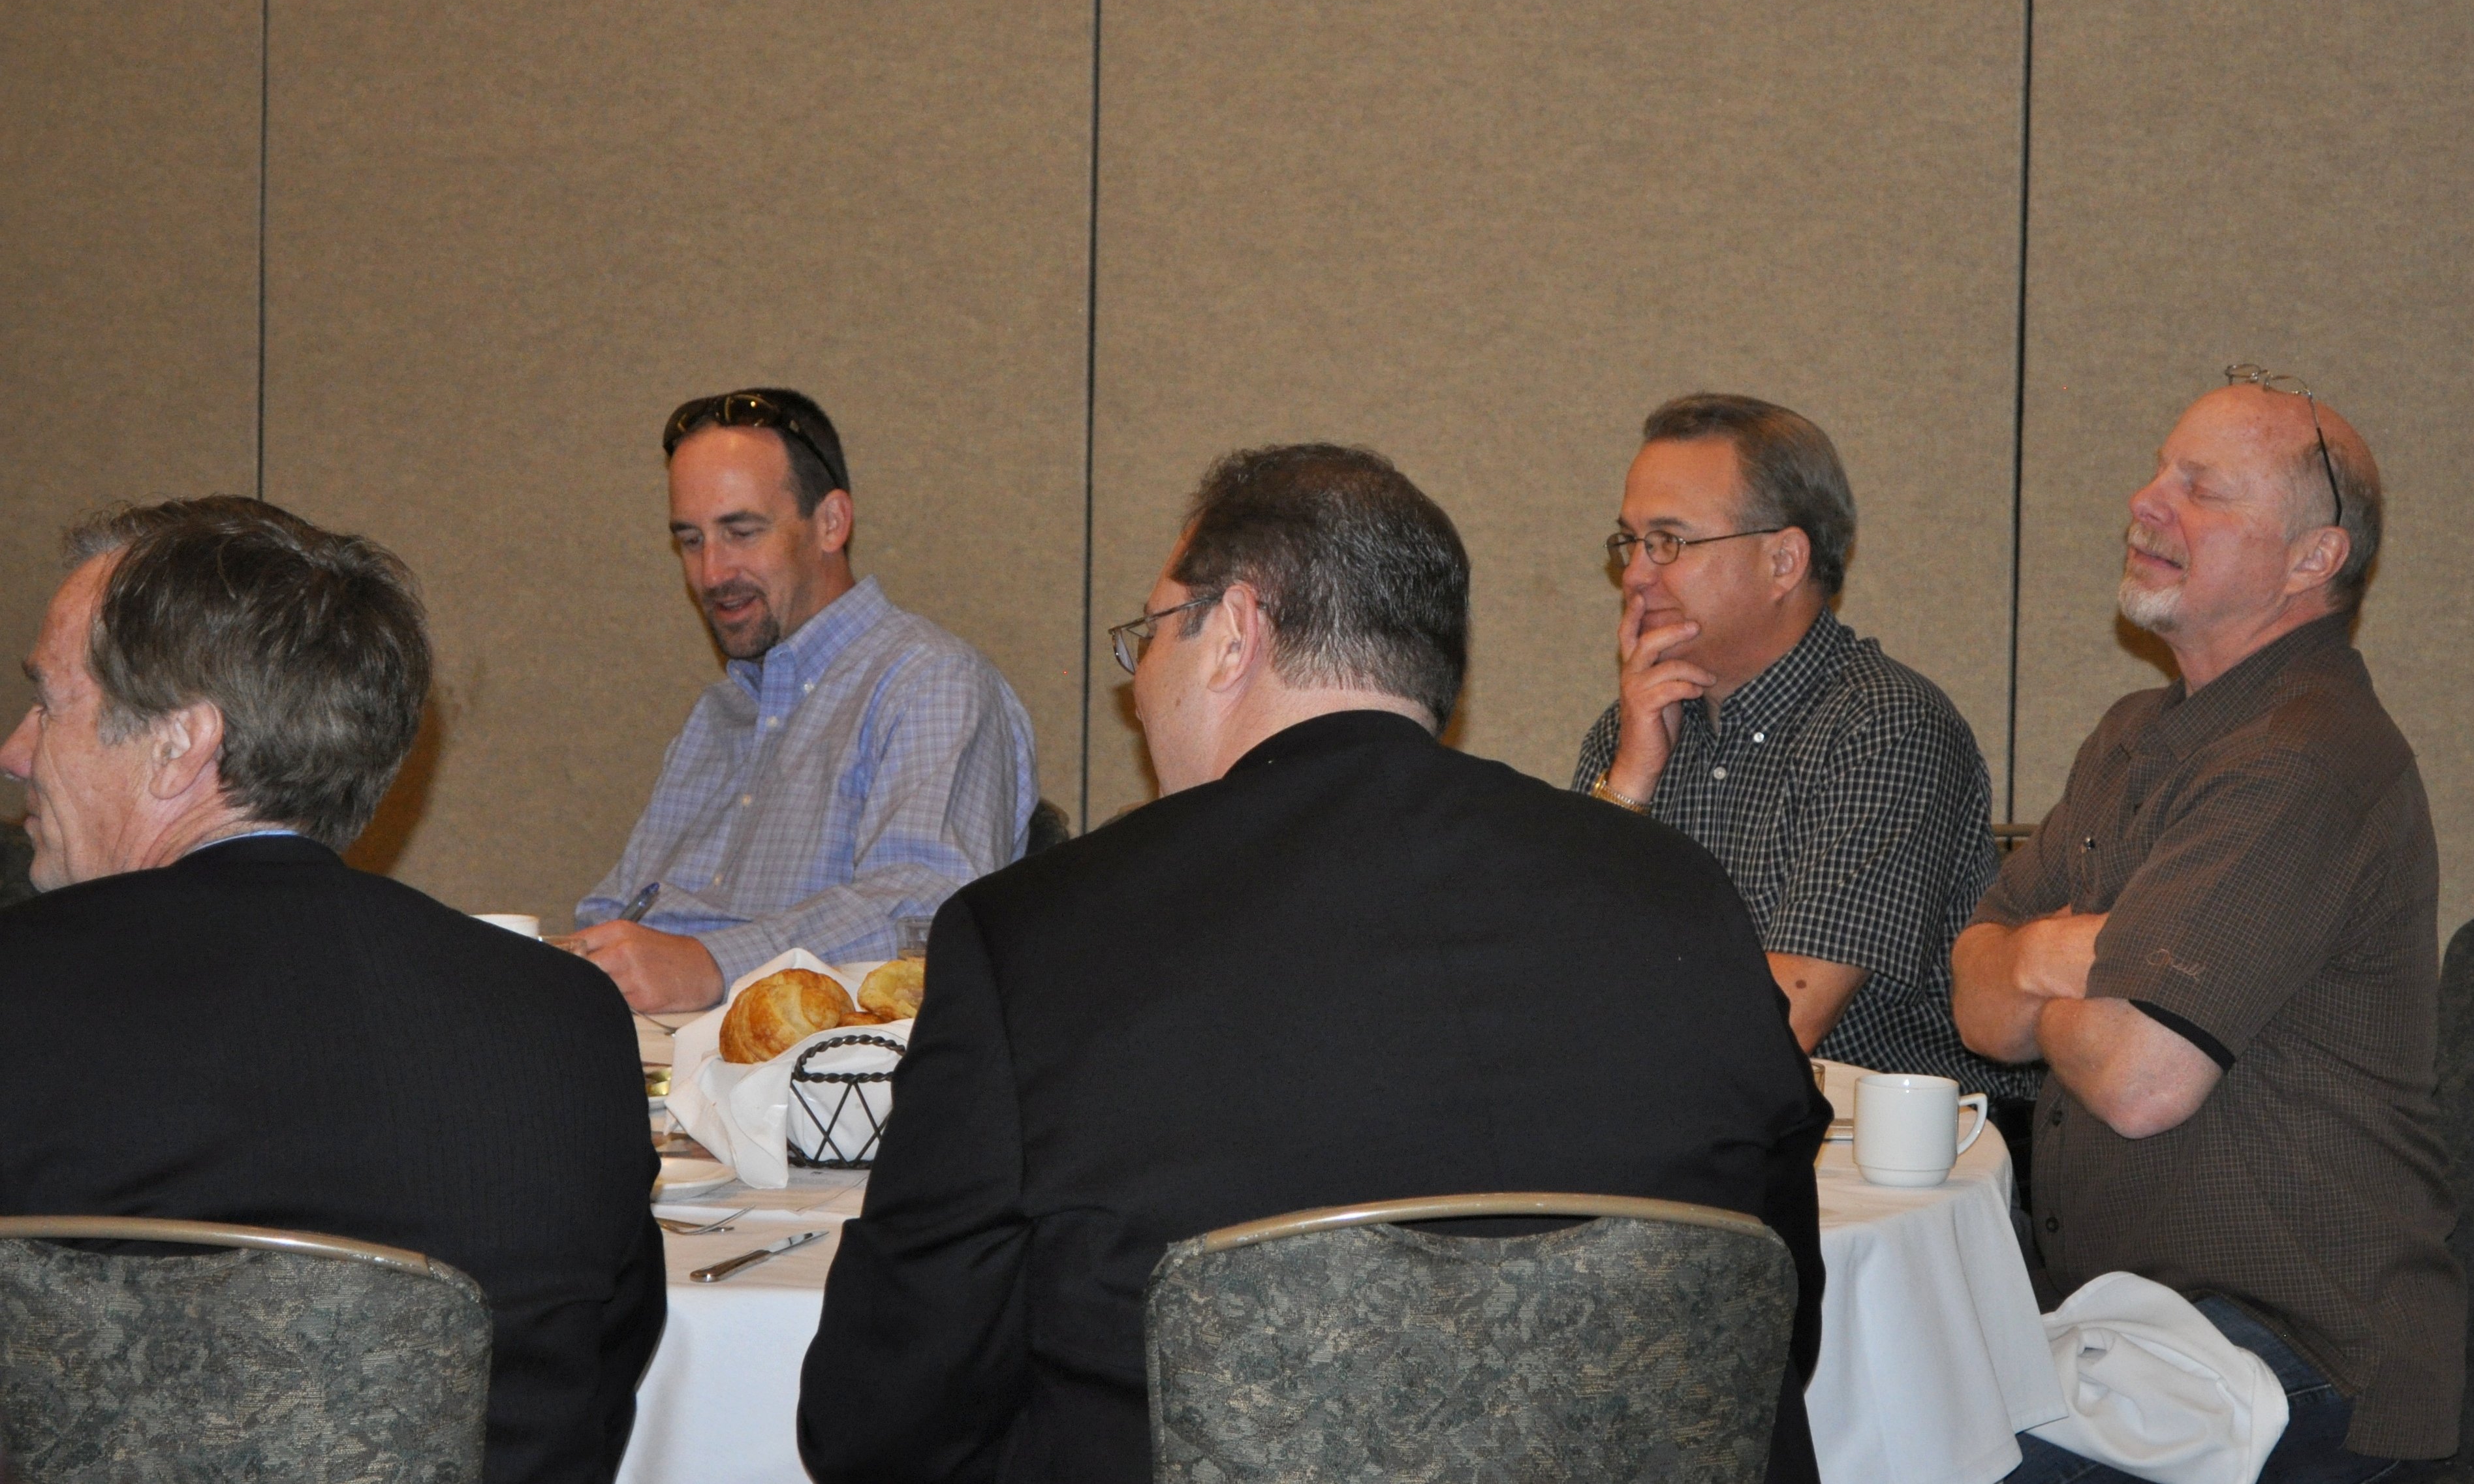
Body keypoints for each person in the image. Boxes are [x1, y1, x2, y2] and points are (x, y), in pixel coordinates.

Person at [798, 444, 1832, 1484]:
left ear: (1233, 633)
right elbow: (1774, 1332)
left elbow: (880, 1416)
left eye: (1149, 635)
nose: (1139, 686)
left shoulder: (1034, 937)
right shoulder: (1679, 895)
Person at [0, 497, 663, 1484]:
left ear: (181, 745)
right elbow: (594, 1407)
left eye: (50, 704)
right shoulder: (564, 1022)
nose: (15, 750)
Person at [1953, 371, 2462, 1481]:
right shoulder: (2132, 735)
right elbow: (1976, 995)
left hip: (2298, 1349)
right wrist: (2052, 955)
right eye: (2158, 473)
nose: (2146, 503)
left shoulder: (2306, 756)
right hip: (2130, 1325)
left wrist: (2048, 980)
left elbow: (2141, 1082)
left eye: (2202, 489)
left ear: (2312, 558)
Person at [1571, 394, 2041, 1160]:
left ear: (1783, 562)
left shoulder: (1884, 725)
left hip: (1898, 1160)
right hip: (1697, 1135)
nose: (1634, 576)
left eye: (1668, 542)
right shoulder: (1631, 728)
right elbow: (1557, 974)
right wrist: (1628, 782)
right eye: (1630, 541)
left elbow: (1786, 1017)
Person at [569, 388, 1037, 1013]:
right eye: (691, 540)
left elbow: (926, 913)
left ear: (831, 523)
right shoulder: (718, 717)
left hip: (814, 1070)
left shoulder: (930, 682)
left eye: (741, 532)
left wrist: (712, 965)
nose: (711, 572)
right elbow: (617, 910)